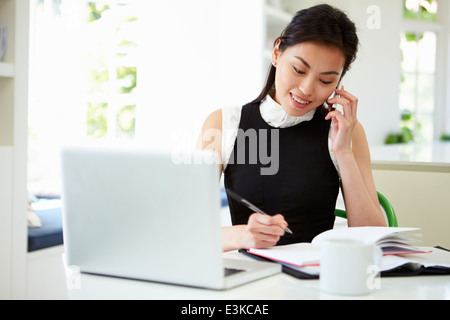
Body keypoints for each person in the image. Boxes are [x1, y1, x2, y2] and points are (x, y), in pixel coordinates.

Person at [197, 4, 387, 252]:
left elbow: (374, 239)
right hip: (249, 279)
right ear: (276, 53)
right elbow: (187, 228)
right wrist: (241, 236)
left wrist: (344, 152)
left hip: (317, 281)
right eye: (299, 70)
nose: (307, 88)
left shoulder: (345, 132)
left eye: (326, 80)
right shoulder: (223, 123)